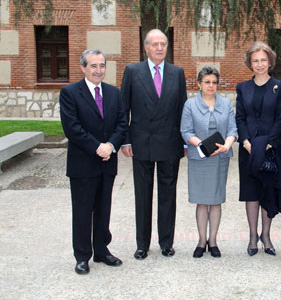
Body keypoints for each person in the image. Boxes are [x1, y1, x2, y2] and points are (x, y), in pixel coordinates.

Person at [121, 29, 187, 260]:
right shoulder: (132, 71)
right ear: (146, 48)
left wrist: (185, 140)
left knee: (168, 195)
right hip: (142, 142)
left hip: (170, 142)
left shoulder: (177, 73)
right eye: (155, 44)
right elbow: (124, 109)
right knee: (143, 194)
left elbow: (182, 109)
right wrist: (126, 140)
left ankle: (166, 242)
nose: (159, 48)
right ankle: (142, 244)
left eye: (163, 44)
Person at [59, 49, 128, 274]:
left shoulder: (113, 93)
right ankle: (82, 256)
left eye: (102, 66)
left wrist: (111, 146)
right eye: (93, 66)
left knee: (103, 209)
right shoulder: (70, 93)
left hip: (107, 162)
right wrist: (98, 147)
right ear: (83, 68)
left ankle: (101, 250)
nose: (98, 70)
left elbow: (121, 123)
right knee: (82, 211)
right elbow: (72, 128)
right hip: (83, 164)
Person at [235, 41, 281, 256]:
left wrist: (268, 143)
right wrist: (246, 142)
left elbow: (280, 118)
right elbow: (240, 117)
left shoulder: (280, 87)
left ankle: (266, 236)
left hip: (270, 148)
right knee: (251, 192)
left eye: (263, 60)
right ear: (250, 62)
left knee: (268, 190)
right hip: (248, 149)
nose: (259, 64)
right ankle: (252, 236)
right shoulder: (242, 87)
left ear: (270, 62)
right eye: (255, 60)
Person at [180, 66, 237, 258]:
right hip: (200, 158)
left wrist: (227, 146)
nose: (211, 86)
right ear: (199, 84)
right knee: (202, 202)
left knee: (216, 200)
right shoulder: (190, 105)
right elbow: (186, 131)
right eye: (207, 82)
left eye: (214, 82)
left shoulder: (226, 104)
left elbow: (232, 130)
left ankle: (213, 241)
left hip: (220, 158)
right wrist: (202, 145)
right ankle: (201, 241)